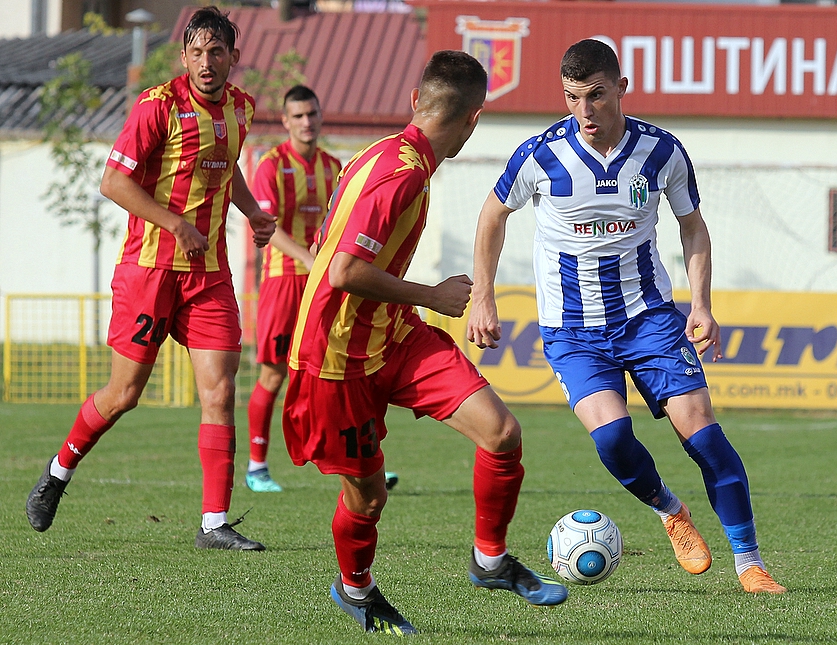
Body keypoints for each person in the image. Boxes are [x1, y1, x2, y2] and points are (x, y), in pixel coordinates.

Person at [468, 39, 785, 594]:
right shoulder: (540, 155)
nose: (584, 110)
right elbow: (493, 215)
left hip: (649, 318)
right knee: (613, 439)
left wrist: (702, 303)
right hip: (573, 330)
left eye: (595, 95)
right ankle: (670, 509)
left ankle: (749, 562)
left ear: (621, 87)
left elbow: (692, 227)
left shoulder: (661, 151)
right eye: (572, 98)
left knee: (706, 438)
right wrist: (483, 295)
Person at [281, 50, 567, 635]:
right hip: (335, 355)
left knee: (502, 433)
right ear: (473, 120)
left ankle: (490, 560)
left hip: (393, 334)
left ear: (416, 100)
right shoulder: (403, 173)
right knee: (367, 498)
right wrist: (431, 295)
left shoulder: (381, 153)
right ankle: (356, 590)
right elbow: (341, 271)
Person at [26, 6, 276, 551]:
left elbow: (225, 164)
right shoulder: (157, 105)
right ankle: (58, 472)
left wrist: (253, 211)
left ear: (233, 57)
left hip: (208, 275)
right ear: (183, 57)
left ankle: (214, 523)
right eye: (197, 52)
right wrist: (175, 223)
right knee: (124, 394)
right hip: (150, 270)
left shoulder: (242, 107)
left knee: (220, 392)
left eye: (216, 52)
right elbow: (113, 181)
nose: (206, 62)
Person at [245, 85, 342, 493]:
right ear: (285, 121)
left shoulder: (334, 166)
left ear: (320, 116)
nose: (306, 122)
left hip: (323, 281)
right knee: (273, 374)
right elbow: (266, 226)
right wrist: (305, 256)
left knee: (337, 371)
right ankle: (256, 467)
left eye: (312, 114)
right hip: (283, 280)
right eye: (298, 116)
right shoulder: (271, 165)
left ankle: (350, 461)